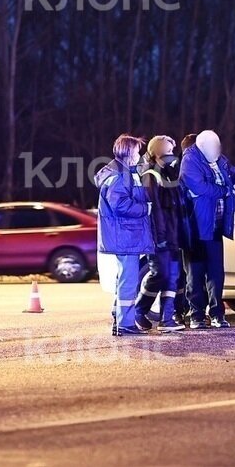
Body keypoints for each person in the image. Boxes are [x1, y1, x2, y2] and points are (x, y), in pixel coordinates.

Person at [179, 130, 235, 329]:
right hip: (196, 228)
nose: (218, 151)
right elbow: (200, 188)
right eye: (213, 147)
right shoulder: (190, 161)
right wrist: (226, 191)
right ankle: (196, 315)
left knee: (216, 273)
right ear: (202, 146)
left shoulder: (219, 159)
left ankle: (217, 313)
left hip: (216, 226)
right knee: (195, 274)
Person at [94, 134, 155, 336]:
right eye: (137, 151)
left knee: (125, 279)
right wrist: (145, 209)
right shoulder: (119, 176)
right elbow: (120, 205)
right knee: (128, 281)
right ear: (128, 153)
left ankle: (119, 318)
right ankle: (125, 324)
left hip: (127, 235)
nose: (139, 155)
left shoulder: (125, 173)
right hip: (126, 235)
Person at [133, 135, 186, 333]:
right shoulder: (151, 175)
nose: (172, 156)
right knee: (160, 274)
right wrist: (160, 236)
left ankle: (167, 319)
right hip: (159, 236)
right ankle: (140, 310)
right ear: (158, 153)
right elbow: (154, 209)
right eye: (168, 152)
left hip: (172, 234)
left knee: (173, 275)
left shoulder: (168, 174)